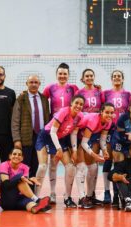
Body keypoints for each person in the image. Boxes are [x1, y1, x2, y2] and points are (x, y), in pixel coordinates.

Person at [35, 95, 85, 207]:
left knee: (70, 167)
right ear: (71, 103)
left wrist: (75, 150)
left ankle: (67, 197)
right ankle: (35, 197)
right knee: (43, 166)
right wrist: (59, 149)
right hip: (46, 136)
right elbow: (52, 132)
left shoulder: (80, 116)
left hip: (60, 139)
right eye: (76, 103)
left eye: (81, 104)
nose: (78, 106)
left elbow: (73, 133)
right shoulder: (63, 111)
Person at [42, 63, 78, 204]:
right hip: (55, 130)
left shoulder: (73, 88)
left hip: (69, 130)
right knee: (53, 163)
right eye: (60, 73)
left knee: (70, 164)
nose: (62, 76)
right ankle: (52, 192)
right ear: (56, 74)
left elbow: (82, 99)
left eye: (65, 74)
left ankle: (67, 194)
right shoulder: (50, 88)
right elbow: (40, 99)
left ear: (68, 75)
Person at [11, 75, 50, 178]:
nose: (33, 84)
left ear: (39, 84)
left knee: (37, 166)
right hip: (26, 137)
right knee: (25, 166)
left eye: (36, 82)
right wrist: (16, 139)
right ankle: (23, 193)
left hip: (41, 137)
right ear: (26, 84)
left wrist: (47, 137)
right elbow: (15, 120)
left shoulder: (44, 99)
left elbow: (47, 118)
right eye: (31, 82)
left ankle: (33, 192)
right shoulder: (21, 99)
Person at [101, 70, 131, 204]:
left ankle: (121, 191)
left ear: (123, 79)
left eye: (119, 76)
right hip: (108, 130)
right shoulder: (105, 93)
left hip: (122, 132)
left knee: (121, 160)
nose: (116, 78)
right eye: (114, 76)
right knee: (108, 158)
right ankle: (107, 191)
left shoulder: (128, 95)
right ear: (111, 79)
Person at [78, 103, 115, 208]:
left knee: (93, 167)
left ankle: (89, 196)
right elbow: (83, 143)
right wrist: (95, 155)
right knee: (81, 167)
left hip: (90, 136)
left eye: (111, 113)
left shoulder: (108, 121)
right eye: (107, 112)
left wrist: (104, 150)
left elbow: (103, 139)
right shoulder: (94, 120)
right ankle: (81, 199)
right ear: (101, 112)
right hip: (76, 136)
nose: (109, 115)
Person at [0, 148, 51, 213]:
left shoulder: (25, 167)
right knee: (20, 178)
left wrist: (30, 180)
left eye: (19, 155)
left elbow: (24, 184)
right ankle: (37, 200)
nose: (17, 156)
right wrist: (21, 179)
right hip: (7, 200)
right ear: (10, 156)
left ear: (22, 158)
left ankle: (36, 208)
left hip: (19, 198)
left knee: (30, 203)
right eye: (14, 154)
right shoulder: (4, 165)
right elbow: (6, 185)